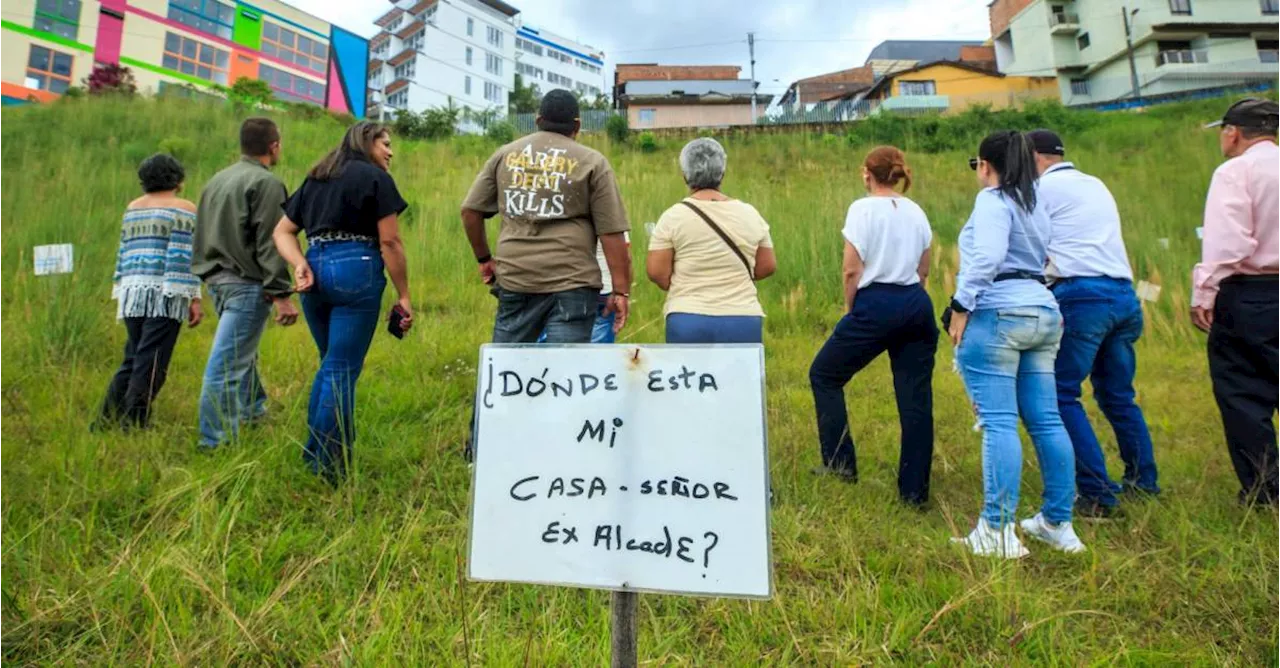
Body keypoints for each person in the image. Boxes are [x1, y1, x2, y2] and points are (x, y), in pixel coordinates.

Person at [461, 89, 631, 459]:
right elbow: (612, 234)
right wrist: (621, 291)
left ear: (538, 121)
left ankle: (480, 452)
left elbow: (471, 211)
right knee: (567, 371)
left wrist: (485, 258)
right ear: (577, 127)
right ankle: (560, 455)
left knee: (503, 365)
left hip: (516, 278)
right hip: (573, 283)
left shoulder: (506, 154)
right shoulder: (592, 161)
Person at [948, 130, 1084, 558]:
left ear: (985, 165)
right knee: (1046, 420)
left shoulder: (992, 200)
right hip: (1043, 312)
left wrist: (959, 305)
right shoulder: (1035, 202)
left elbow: (986, 258)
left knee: (999, 422)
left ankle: (997, 529)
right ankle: (1057, 522)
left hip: (1000, 313)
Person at [1030, 129, 1161, 518]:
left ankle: (1097, 494)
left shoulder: (1042, 191)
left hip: (1082, 297)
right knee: (1118, 395)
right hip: (1123, 296)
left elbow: (1030, 247)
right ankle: (1143, 481)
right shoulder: (1095, 183)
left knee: (1060, 394)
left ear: (1035, 159)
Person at [274, 121, 411, 482]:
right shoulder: (376, 179)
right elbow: (391, 243)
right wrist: (404, 295)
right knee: (340, 369)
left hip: (316, 267)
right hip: (357, 267)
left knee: (331, 364)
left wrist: (300, 263)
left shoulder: (318, 176)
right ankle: (323, 464)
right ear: (367, 143)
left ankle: (331, 456)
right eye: (386, 144)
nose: (390, 152)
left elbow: (282, 230)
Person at [808, 146, 936, 506]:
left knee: (825, 375)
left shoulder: (862, 209)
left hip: (876, 301)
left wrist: (852, 309)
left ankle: (840, 464)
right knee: (915, 398)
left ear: (867, 174)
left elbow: (852, 268)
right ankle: (914, 492)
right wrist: (912, 300)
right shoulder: (916, 211)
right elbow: (924, 268)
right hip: (915, 301)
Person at [1192, 98, 1280, 507]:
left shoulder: (1234, 172)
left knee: (1243, 391)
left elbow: (1229, 242)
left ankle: (1265, 491)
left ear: (1233, 132)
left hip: (1251, 291)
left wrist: (1204, 292)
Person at [193, 117, 299, 449]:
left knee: (241, 353)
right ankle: (216, 442)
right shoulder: (266, 183)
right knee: (226, 365)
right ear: (274, 146)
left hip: (217, 280)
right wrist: (281, 293)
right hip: (245, 283)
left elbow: (200, 235)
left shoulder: (216, 181)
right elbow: (271, 242)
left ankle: (253, 411)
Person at [96, 154, 203, 430]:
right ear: (177, 180)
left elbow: (124, 251)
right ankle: (133, 421)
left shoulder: (133, 207)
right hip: (165, 293)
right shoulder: (184, 208)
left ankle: (106, 418)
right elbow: (183, 257)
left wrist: (121, 287)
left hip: (133, 291)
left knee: (134, 355)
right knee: (153, 360)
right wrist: (193, 297)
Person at [646, 138, 777, 343]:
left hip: (687, 317)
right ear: (722, 173)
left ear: (685, 175)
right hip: (743, 316)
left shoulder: (673, 217)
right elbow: (767, 266)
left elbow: (656, 272)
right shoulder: (750, 214)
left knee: (689, 375)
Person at [538, 234, 631, 344]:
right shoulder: (610, 219)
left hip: (551, 288)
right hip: (602, 291)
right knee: (595, 355)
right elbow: (625, 257)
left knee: (544, 353)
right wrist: (623, 293)